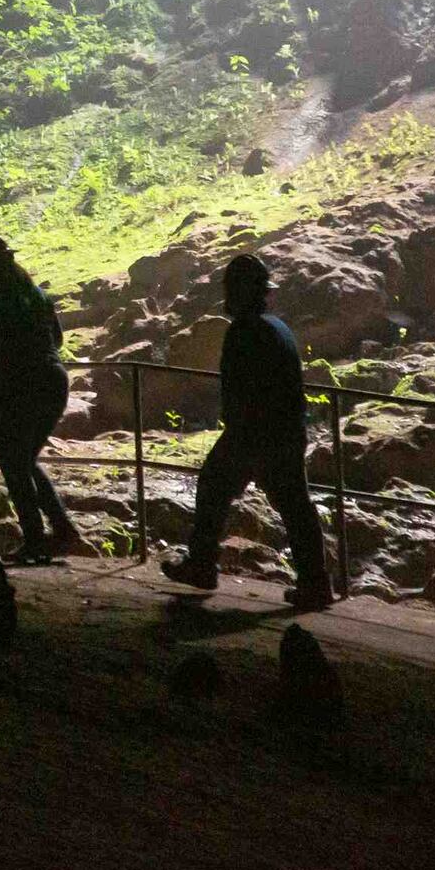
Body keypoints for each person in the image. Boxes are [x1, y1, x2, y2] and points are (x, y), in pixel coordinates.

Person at [163, 255, 335, 611]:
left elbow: (239, 389)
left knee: (213, 486)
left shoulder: (244, 331)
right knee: (296, 507)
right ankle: (316, 584)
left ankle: (202, 566)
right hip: (285, 432)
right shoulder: (279, 328)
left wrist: (237, 431)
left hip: (254, 434)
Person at [0, 231, 79, 567]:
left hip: (15, 387)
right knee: (23, 461)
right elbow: (57, 338)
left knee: (14, 466)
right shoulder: (36, 294)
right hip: (52, 380)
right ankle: (62, 530)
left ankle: (37, 542)